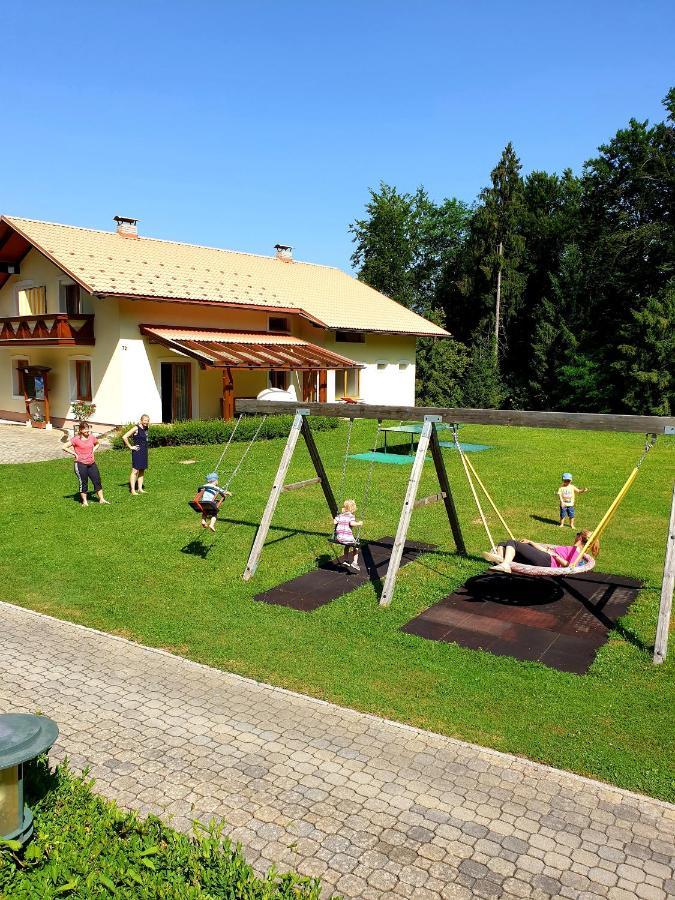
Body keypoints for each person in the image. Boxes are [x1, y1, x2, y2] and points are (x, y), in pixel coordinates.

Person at [483, 529, 600, 574]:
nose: (576, 535)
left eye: (577, 534)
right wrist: (532, 542)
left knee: (512, 543)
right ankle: (501, 560)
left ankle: (505, 564)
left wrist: (556, 556)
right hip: (546, 556)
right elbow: (547, 550)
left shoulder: (577, 551)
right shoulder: (572, 548)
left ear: (580, 537)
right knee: (503, 544)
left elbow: (570, 566)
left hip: (548, 561)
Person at [63, 421, 109, 506]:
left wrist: (93, 450)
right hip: (80, 464)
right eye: (85, 431)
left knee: (97, 481)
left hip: (91, 463)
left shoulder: (91, 437)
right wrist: (74, 454)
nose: (87, 432)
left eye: (88, 430)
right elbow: (64, 446)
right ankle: (85, 501)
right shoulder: (76, 439)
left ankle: (102, 499)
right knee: (83, 482)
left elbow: (97, 443)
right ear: (80, 430)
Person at [122, 415, 150, 495]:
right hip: (137, 451)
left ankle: (140, 489)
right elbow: (124, 437)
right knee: (135, 470)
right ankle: (133, 490)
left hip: (144, 451)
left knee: (142, 469)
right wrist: (131, 447)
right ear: (141, 420)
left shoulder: (146, 428)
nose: (146, 422)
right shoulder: (136, 428)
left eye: (147, 420)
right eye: (145, 420)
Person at [333, 499, 363, 572]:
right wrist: (359, 523)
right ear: (352, 508)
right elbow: (352, 523)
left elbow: (334, 522)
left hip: (339, 537)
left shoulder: (340, 515)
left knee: (347, 546)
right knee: (355, 547)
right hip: (347, 538)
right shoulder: (351, 516)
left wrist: (338, 519)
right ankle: (355, 563)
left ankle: (346, 560)